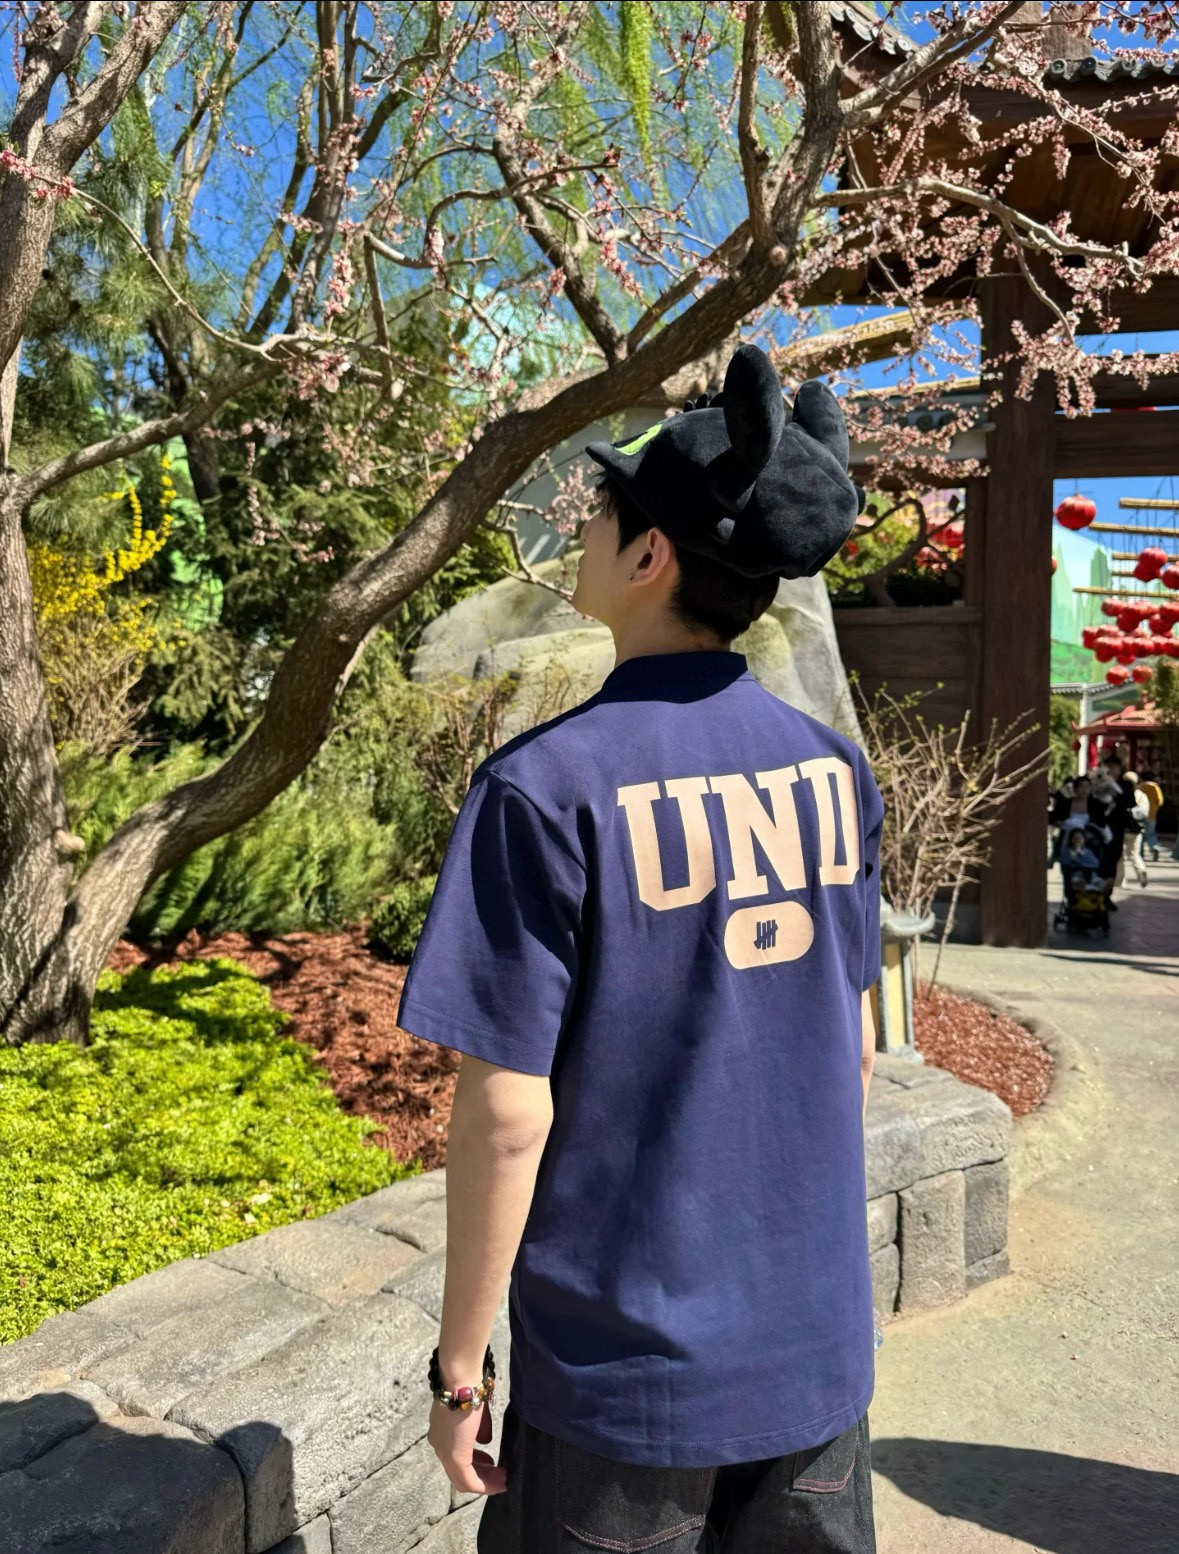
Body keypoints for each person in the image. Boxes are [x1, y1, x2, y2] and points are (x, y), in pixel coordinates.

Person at [400, 344, 883, 1552]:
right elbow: (858, 1049)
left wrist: (461, 1372)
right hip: (814, 1355)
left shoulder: (542, 788)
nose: (586, 524)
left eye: (606, 508)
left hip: (626, 1381)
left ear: (650, 555)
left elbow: (507, 1115)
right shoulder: (835, 772)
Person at [1096, 755, 1145, 891]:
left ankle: (1108, 891)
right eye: (1107, 767)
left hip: (1117, 825)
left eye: (1112, 767)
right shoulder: (1099, 783)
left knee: (1114, 858)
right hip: (1101, 825)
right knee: (1101, 858)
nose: (1109, 770)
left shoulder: (1125, 785)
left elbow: (1131, 803)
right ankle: (1101, 891)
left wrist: (1116, 796)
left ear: (1119, 769)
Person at [1138, 770, 1163, 863]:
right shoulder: (1155, 787)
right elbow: (1160, 801)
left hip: (1140, 814)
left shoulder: (1139, 787)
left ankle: (1140, 853)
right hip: (1152, 814)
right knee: (1151, 833)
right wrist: (1155, 807)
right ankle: (1154, 847)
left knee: (1140, 834)